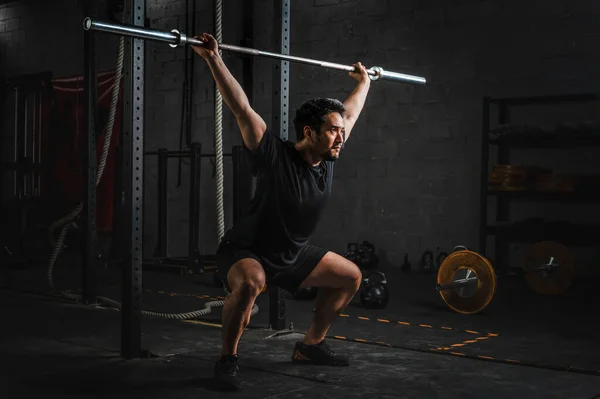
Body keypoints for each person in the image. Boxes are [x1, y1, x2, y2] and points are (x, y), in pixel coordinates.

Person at [192, 32, 372, 390]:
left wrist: (365, 81)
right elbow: (241, 107)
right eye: (333, 131)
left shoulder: (327, 155)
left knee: (351, 276)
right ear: (310, 131)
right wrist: (214, 59)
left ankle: (310, 346)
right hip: (248, 251)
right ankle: (227, 359)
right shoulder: (274, 153)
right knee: (252, 283)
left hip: (292, 254)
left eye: (340, 131)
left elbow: (350, 113)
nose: (341, 137)